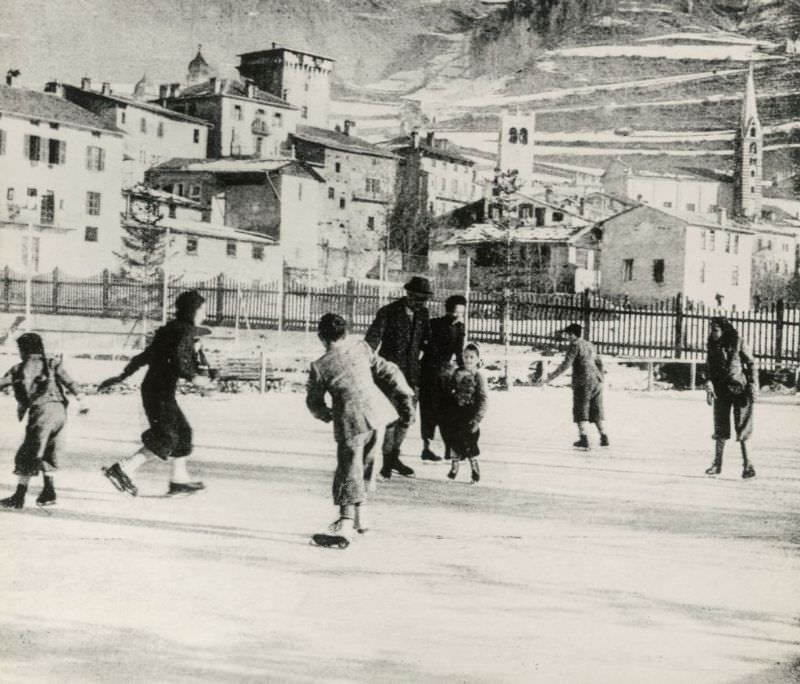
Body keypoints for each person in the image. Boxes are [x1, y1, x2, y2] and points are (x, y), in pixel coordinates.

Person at [306, 313, 415, 544]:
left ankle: (345, 524)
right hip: (378, 415)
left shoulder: (319, 366)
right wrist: (406, 395)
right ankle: (362, 517)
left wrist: (325, 414)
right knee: (367, 464)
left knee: (348, 469)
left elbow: (314, 402)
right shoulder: (362, 348)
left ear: (321, 338)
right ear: (345, 334)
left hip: (350, 421)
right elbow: (391, 370)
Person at [98, 290, 212, 496]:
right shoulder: (184, 331)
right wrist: (194, 377)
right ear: (192, 310)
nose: (204, 314)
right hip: (158, 392)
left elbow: (146, 356)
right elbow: (179, 358)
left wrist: (123, 375)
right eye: (202, 310)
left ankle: (179, 480)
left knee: (183, 432)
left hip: (156, 390)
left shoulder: (170, 329)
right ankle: (123, 468)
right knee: (166, 437)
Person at [0, 333, 87, 509]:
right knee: (50, 449)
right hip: (60, 413)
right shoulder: (52, 363)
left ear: (23, 349)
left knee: (29, 451)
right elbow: (70, 382)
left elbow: (3, 382)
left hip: (41, 412)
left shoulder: (20, 368)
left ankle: (19, 495)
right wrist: (82, 401)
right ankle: (49, 491)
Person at [365, 276, 433, 479]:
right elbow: (371, 341)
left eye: (424, 300)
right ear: (409, 294)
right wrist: (366, 362)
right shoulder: (388, 312)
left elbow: (427, 342)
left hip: (412, 375)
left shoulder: (423, 314)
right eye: (418, 298)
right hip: (389, 376)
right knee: (389, 419)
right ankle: (385, 460)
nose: (421, 303)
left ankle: (394, 456)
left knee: (407, 418)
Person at [537, 323, 609, 449]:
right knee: (595, 409)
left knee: (580, 408)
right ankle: (603, 436)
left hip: (583, 381)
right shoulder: (589, 344)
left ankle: (583, 437)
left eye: (568, 334)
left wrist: (550, 378)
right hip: (596, 380)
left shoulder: (574, 346)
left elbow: (566, 364)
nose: (566, 337)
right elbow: (599, 362)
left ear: (573, 334)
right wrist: (601, 377)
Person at [703, 316, 757, 479]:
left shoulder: (738, 341)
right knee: (720, 427)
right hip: (721, 390)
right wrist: (708, 383)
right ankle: (717, 464)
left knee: (743, 428)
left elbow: (751, 363)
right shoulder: (712, 345)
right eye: (711, 330)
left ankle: (748, 465)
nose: (713, 333)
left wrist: (753, 386)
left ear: (724, 330)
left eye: (716, 330)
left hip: (740, 389)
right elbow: (708, 367)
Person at [419, 294, 466, 462]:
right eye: (454, 313)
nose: (457, 316)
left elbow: (459, 352)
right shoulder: (435, 324)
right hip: (428, 373)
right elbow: (425, 345)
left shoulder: (460, 327)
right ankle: (427, 448)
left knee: (447, 412)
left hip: (445, 375)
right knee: (429, 411)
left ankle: (450, 449)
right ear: (447, 311)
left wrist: (465, 369)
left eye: (461, 313)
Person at [440, 342, 488, 484]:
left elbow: (483, 399)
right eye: (466, 356)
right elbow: (449, 391)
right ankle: (454, 467)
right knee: (453, 439)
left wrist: (477, 418)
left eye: (472, 357)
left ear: (477, 359)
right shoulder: (456, 373)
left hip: (469, 413)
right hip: (455, 413)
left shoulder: (478, 377)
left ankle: (474, 468)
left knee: (469, 441)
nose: (468, 360)